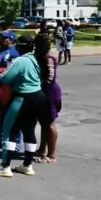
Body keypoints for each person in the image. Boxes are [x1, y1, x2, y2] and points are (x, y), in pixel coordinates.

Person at [0, 36, 50, 177]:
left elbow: (5, 77)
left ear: (20, 47)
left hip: (23, 97)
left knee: (9, 131)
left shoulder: (20, 60)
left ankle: (5, 166)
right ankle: (27, 165)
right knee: (29, 131)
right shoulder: (37, 58)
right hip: (38, 96)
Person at [0, 30, 20, 147]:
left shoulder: (17, 52)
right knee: (1, 114)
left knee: (14, 115)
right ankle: (1, 138)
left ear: (11, 39)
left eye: (5, 37)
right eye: (1, 37)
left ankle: (16, 141)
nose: (2, 39)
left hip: (13, 88)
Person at [34, 34, 61, 163]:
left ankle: (52, 155)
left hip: (49, 92)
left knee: (49, 123)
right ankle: (41, 150)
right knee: (43, 122)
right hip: (43, 91)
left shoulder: (48, 58)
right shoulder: (40, 57)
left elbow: (49, 79)